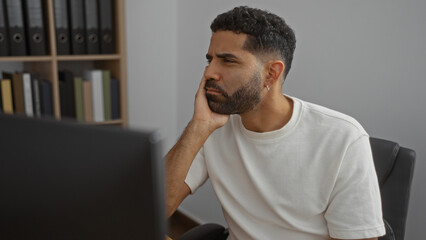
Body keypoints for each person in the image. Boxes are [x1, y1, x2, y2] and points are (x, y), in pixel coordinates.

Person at [166, 6, 385, 240]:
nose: (209, 72)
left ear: (271, 74)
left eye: (228, 61)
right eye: (210, 60)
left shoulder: (342, 138)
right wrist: (198, 126)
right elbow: (152, 208)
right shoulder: (212, 127)